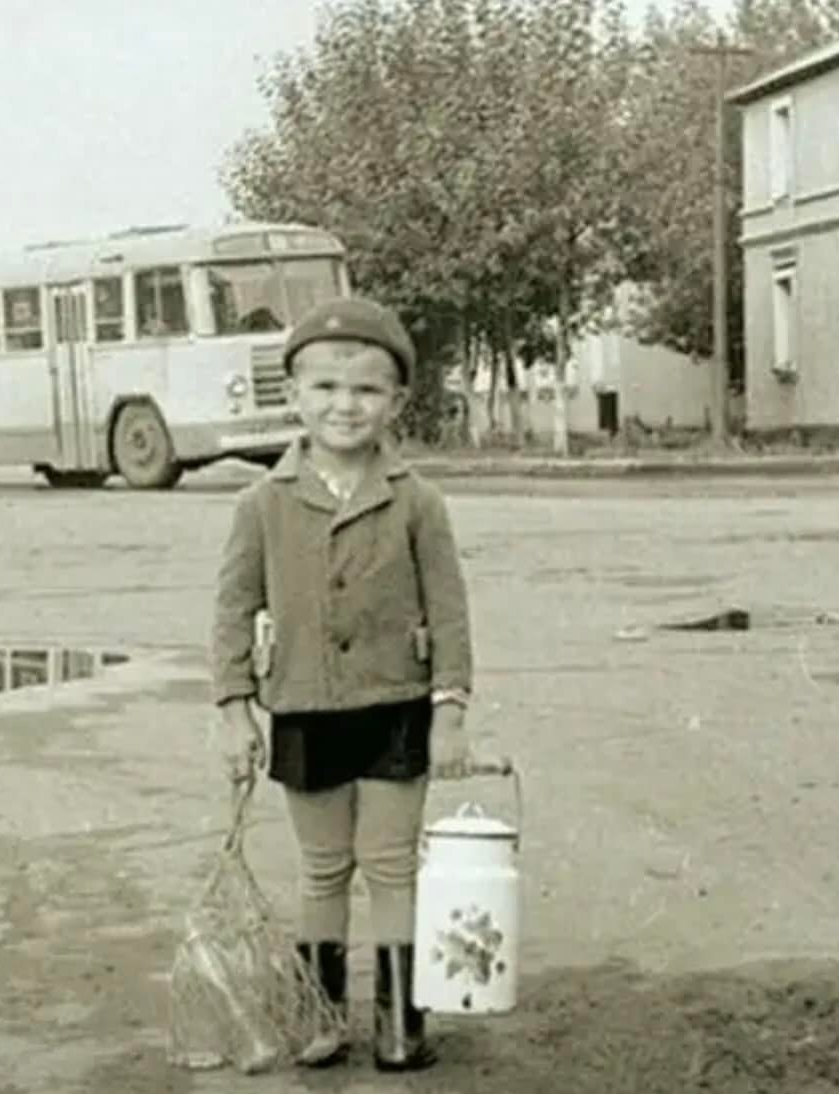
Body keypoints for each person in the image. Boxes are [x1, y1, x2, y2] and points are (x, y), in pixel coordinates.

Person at [210, 295, 474, 1072]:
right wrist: (234, 711)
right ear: (292, 396)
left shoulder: (419, 501)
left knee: (392, 866)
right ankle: (317, 1017)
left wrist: (449, 712)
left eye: (365, 389)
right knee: (324, 868)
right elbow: (232, 613)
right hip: (304, 710)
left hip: (397, 711)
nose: (344, 405)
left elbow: (451, 615)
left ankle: (400, 1024)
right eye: (324, 387)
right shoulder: (261, 504)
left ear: (396, 401)